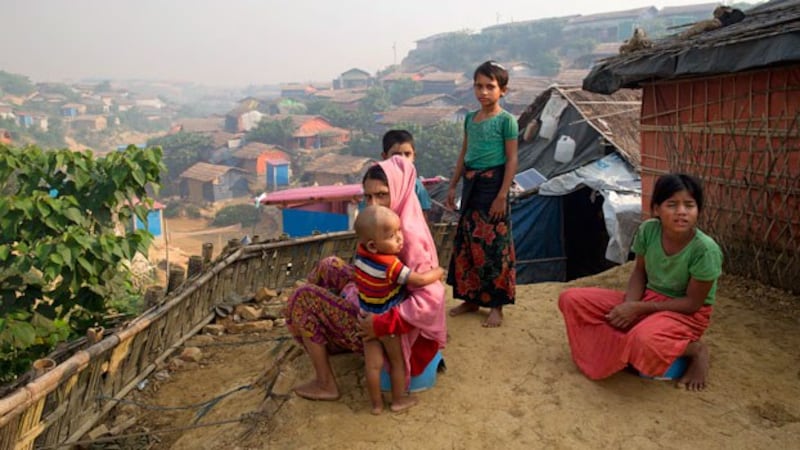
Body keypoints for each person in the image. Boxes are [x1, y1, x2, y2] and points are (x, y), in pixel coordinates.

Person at [285, 156, 447, 406]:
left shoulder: (408, 238)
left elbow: (431, 300)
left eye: (382, 195)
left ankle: (326, 382)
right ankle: (321, 337)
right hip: (382, 303)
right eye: (368, 197)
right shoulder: (386, 225)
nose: (372, 203)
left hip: (391, 330)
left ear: (400, 191)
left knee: (302, 299)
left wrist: (381, 324)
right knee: (328, 265)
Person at [558, 174, 723, 391]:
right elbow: (639, 273)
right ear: (656, 209)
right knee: (571, 299)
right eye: (672, 205)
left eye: (689, 205)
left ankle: (695, 351)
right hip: (648, 300)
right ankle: (629, 344)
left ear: (698, 210)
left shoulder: (705, 250)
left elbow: (693, 304)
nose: (681, 212)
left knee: (643, 340)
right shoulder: (648, 230)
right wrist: (630, 305)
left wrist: (637, 308)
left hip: (685, 314)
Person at [445, 60, 519, 328]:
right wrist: (453, 185)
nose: (483, 92)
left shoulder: (507, 121)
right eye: (479, 86)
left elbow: (512, 160)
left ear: (503, 91)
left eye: (490, 86)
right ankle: (470, 298)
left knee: (494, 246)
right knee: (467, 243)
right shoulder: (469, 119)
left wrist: (502, 195)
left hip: (493, 185)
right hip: (470, 184)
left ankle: (497, 305)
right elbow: (464, 154)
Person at [353, 205, 444, 414]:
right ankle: (398, 400)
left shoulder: (360, 255)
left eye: (400, 231)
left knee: (373, 365)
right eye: (392, 235)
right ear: (374, 246)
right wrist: (438, 271)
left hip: (366, 315)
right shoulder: (391, 265)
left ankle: (376, 405)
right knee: (397, 362)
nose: (400, 239)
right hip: (385, 322)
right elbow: (420, 279)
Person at [381, 129, 433, 217]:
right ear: (385, 156)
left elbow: (423, 215)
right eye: (396, 155)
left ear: (414, 156)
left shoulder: (416, 185)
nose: (403, 159)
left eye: (407, 154)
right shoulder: (380, 183)